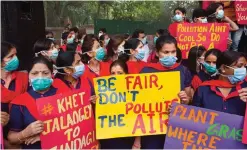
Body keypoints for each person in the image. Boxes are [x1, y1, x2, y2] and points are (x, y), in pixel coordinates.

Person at [139, 35, 192, 149]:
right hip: (152, 127)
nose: (170, 56)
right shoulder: (146, 71)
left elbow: (189, 98)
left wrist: (185, 100)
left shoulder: (183, 70)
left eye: (173, 52)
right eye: (166, 52)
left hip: (176, 125)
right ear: (157, 53)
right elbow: (139, 100)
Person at [8, 56, 69, 149]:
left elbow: (77, 124)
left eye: (45, 73)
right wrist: (25, 133)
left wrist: (46, 136)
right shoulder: (20, 102)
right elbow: (11, 138)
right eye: (34, 73)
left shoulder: (64, 94)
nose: (40, 77)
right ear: (28, 75)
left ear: (52, 74)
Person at [193, 51, 246, 116]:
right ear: (223, 68)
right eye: (239, 66)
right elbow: (194, 118)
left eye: (245, 67)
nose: (244, 70)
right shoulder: (203, 89)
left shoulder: (245, 88)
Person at [99, 60, 136, 149]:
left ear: (126, 74)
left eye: (120, 73)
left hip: (127, 137)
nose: (116, 76)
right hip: (109, 139)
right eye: (113, 73)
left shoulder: (135, 92)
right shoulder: (103, 92)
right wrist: (95, 103)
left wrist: (137, 142)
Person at [1, 42, 29, 148]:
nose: (16, 58)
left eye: (16, 55)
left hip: (24, 135)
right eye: (11, 56)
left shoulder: (24, 77)